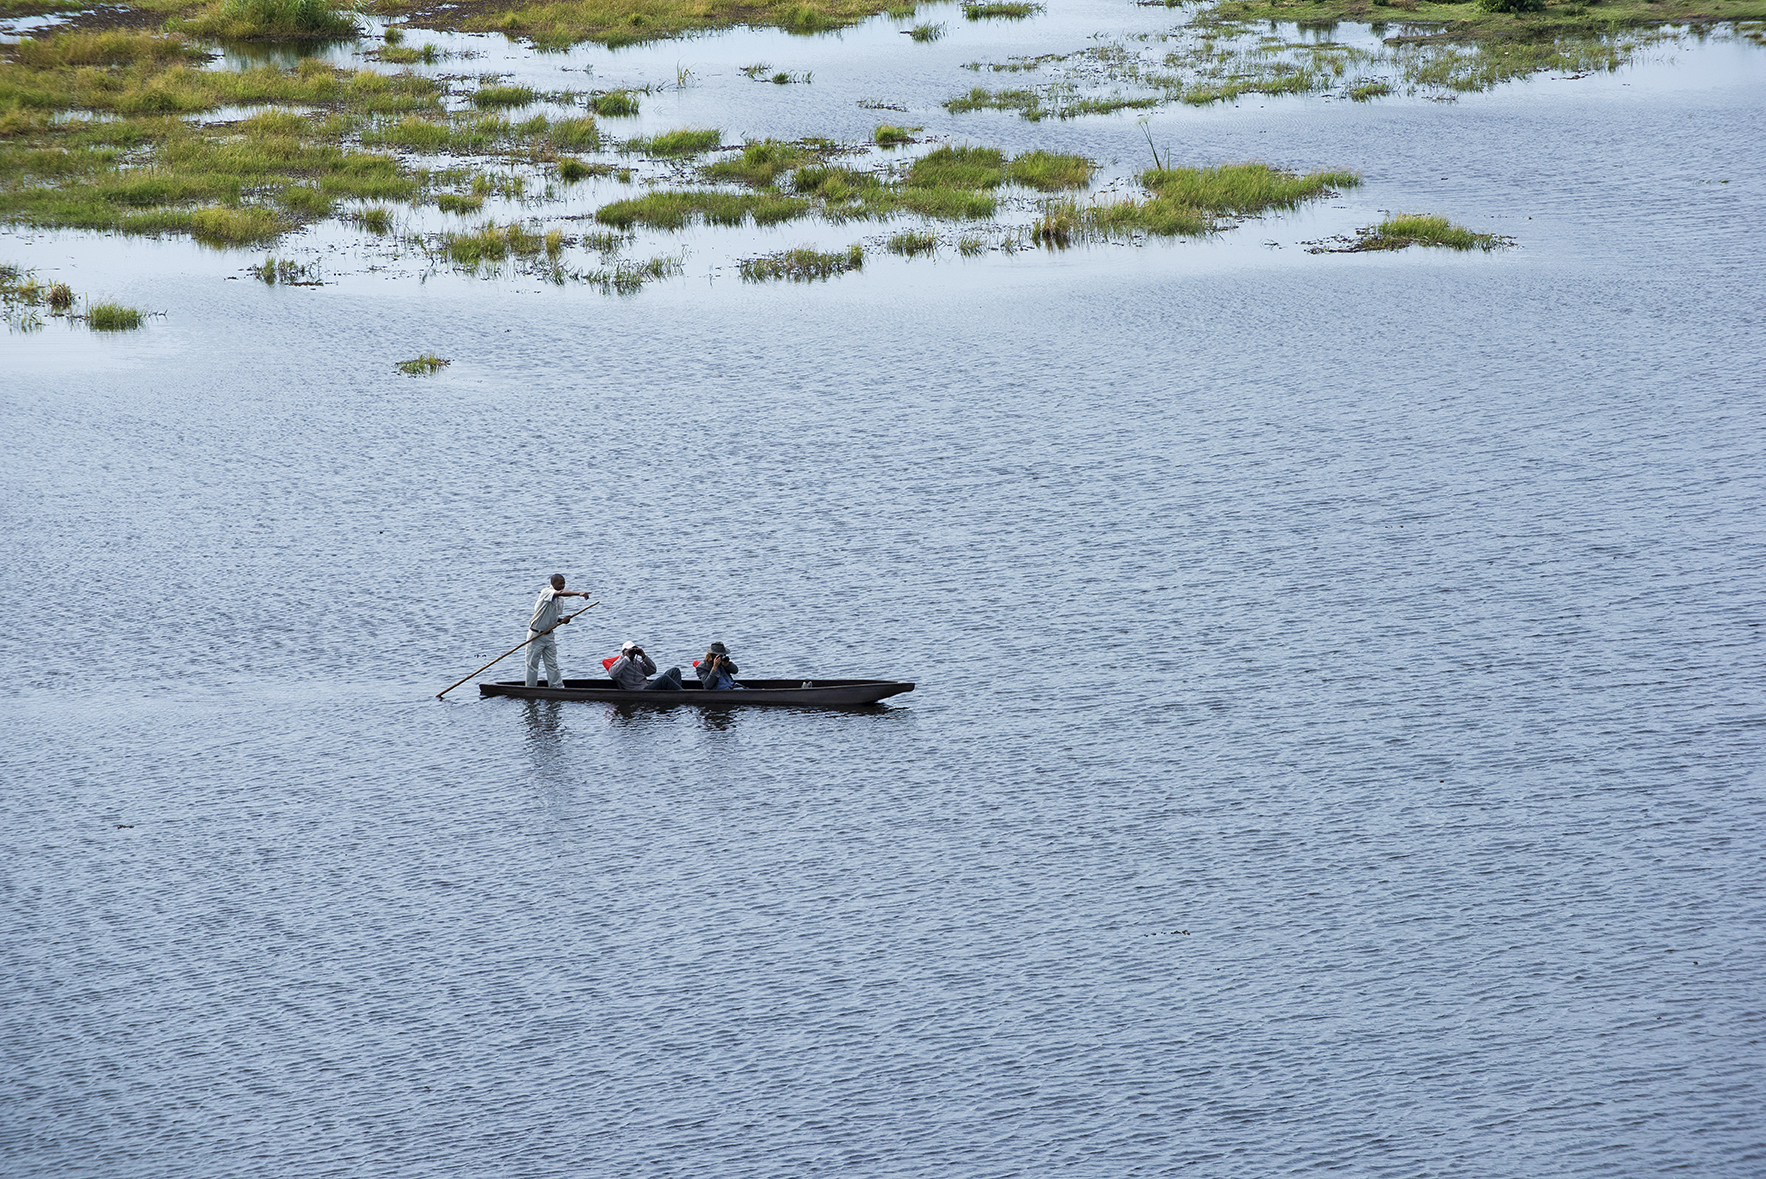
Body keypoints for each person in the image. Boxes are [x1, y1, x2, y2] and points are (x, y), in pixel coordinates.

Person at [525, 573, 590, 688]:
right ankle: (530, 688)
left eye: (564, 583)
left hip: (549, 635)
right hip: (536, 634)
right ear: (553, 583)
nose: (562, 586)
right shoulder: (546, 592)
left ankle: (556, 688)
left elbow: (553, 617)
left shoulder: (560, 600)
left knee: (552, 664)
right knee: (532, 664)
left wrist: (562, 621)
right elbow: (560, 593)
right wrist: (579, 594)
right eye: (560, 583)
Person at [608, 640, 685, 692]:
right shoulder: (619, 663)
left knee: (674, 671)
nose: (632, 653)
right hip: (640, 690)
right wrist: (626, 659)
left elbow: (652, 670)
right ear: (623, 651)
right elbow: (613, 674)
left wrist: (644, 657)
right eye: (630, 651)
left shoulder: (637, 662)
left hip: (647, 685)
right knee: (664, 679)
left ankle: (676, 692)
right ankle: (681, 694)